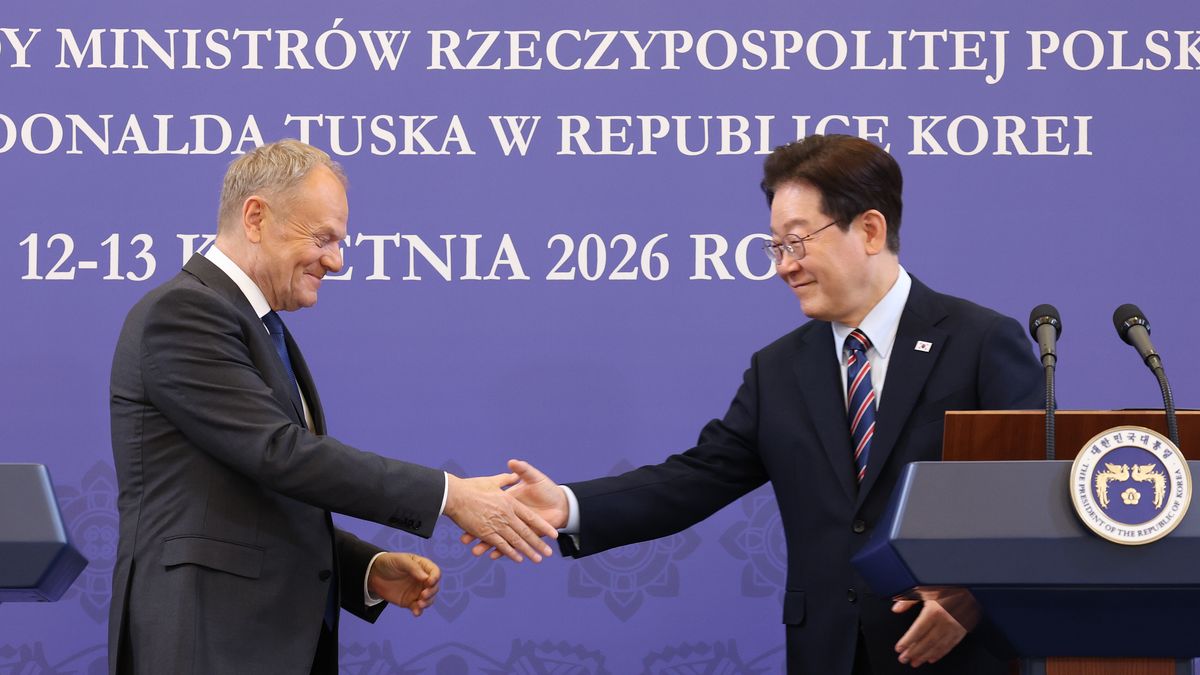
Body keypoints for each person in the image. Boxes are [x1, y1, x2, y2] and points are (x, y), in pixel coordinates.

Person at [465, 134, 1042, 674]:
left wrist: (971, 595)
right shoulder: (781, 368)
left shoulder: (980, 342)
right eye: (776, 245)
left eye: (798, 241)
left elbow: (1033, 495)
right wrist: (567, 505)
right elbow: (697, 477)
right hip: (828, 653)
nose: (784, 264)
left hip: (960, 655)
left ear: (869, 230)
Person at [108, 139, 557, 675]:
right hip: (207, 639)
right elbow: (280, 455)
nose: (337, 261)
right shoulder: (184, 314)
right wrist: (449, 495)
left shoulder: (257, 325)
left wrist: (361, 569)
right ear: (256, 217)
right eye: (322, 238)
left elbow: (256, 496)